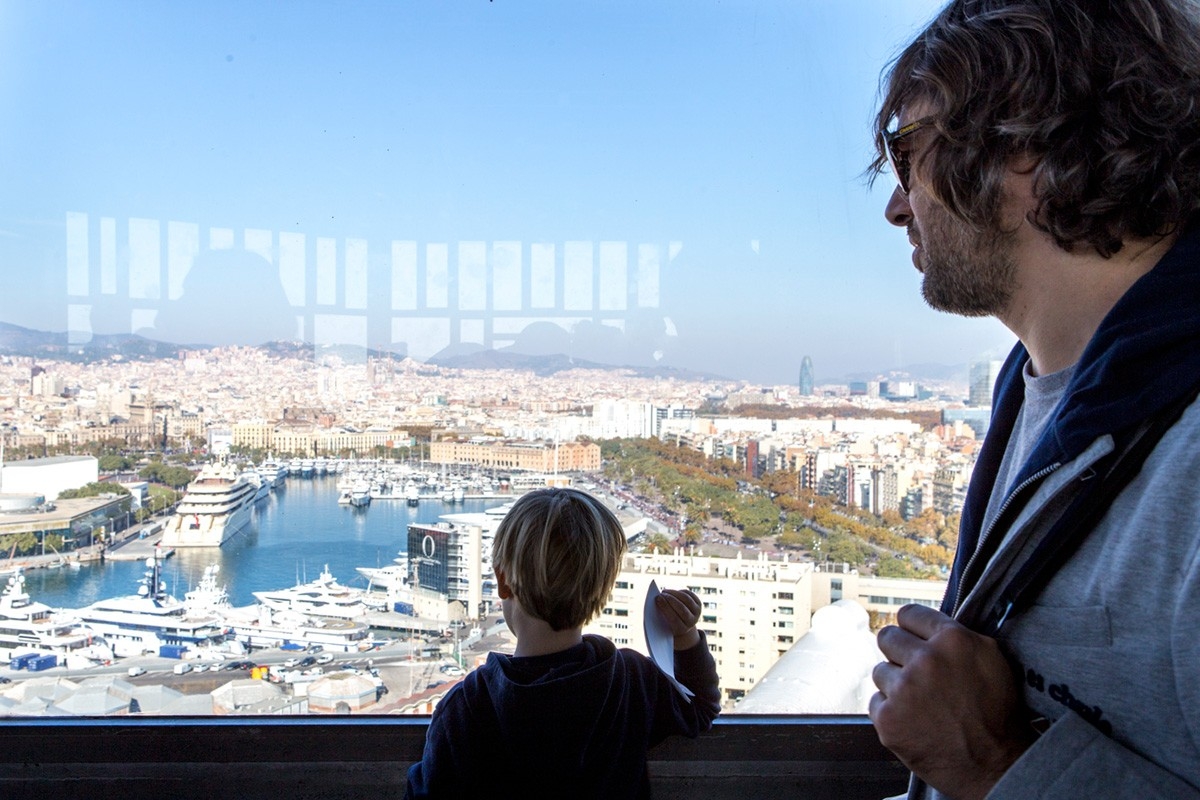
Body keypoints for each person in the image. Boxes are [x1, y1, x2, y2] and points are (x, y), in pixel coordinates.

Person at [866, 1, 1200, 798]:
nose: (896, 204)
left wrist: (999, 763)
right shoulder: (1038, 389)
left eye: (906, 152)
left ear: (1024, 140)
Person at [404, 487, 720, 798]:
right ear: (605, 590)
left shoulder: (469, 704)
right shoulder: (630, 681)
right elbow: (701, 707)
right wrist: (684, 635)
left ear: (502, 581)